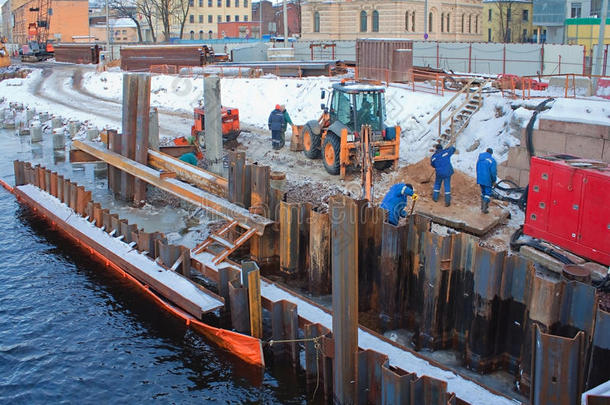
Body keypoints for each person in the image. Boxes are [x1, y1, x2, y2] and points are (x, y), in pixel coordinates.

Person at [476, 147, 497, 214]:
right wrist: (494, 180)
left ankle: (482, 206)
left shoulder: (480, 158)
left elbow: (477, 167)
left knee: (483, 192)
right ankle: (484, 209)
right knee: (488, 193)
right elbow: (493, 172)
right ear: (491, 153)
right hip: (487, 179)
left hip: (480, 178)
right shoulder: (492, 161)